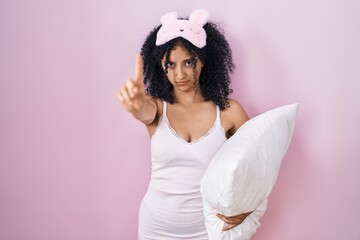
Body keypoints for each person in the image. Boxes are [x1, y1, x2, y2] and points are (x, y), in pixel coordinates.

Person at [117, 9, 252, 239]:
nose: (180, 74)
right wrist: (135, 104)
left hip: (207, 230)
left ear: (203, 60)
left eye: (188, 62)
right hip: (155, 229)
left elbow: (259, 163)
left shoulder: (229, 113)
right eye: (170, 65)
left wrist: (247, 206)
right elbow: (142, 111)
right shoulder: (158, 109)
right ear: (161, 66)